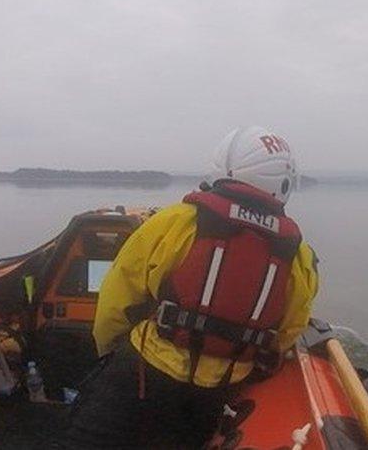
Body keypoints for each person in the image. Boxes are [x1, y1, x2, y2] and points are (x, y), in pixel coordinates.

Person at [62, 126, 319, 449]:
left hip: (146, 369)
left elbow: (118, 298)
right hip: (218, 389)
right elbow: (288, 330)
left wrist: (110, 353)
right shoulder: (298, 255)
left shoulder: (178, 221)